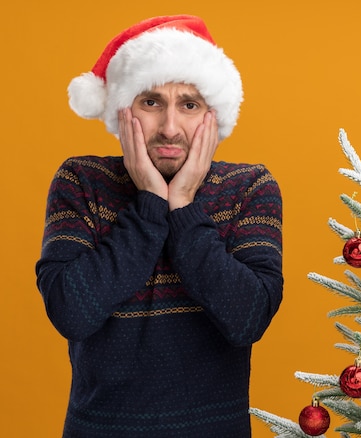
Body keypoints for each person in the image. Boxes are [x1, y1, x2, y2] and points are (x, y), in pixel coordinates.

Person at [35, 15, 283, 437]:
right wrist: (150, 203)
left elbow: (248, 320)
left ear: (213, 116)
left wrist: (183, 206)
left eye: (189, 104)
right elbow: (71, 313)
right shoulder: (81, 181)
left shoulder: (248, 187)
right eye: (151, 102)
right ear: (123, 110)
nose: (170, 127)